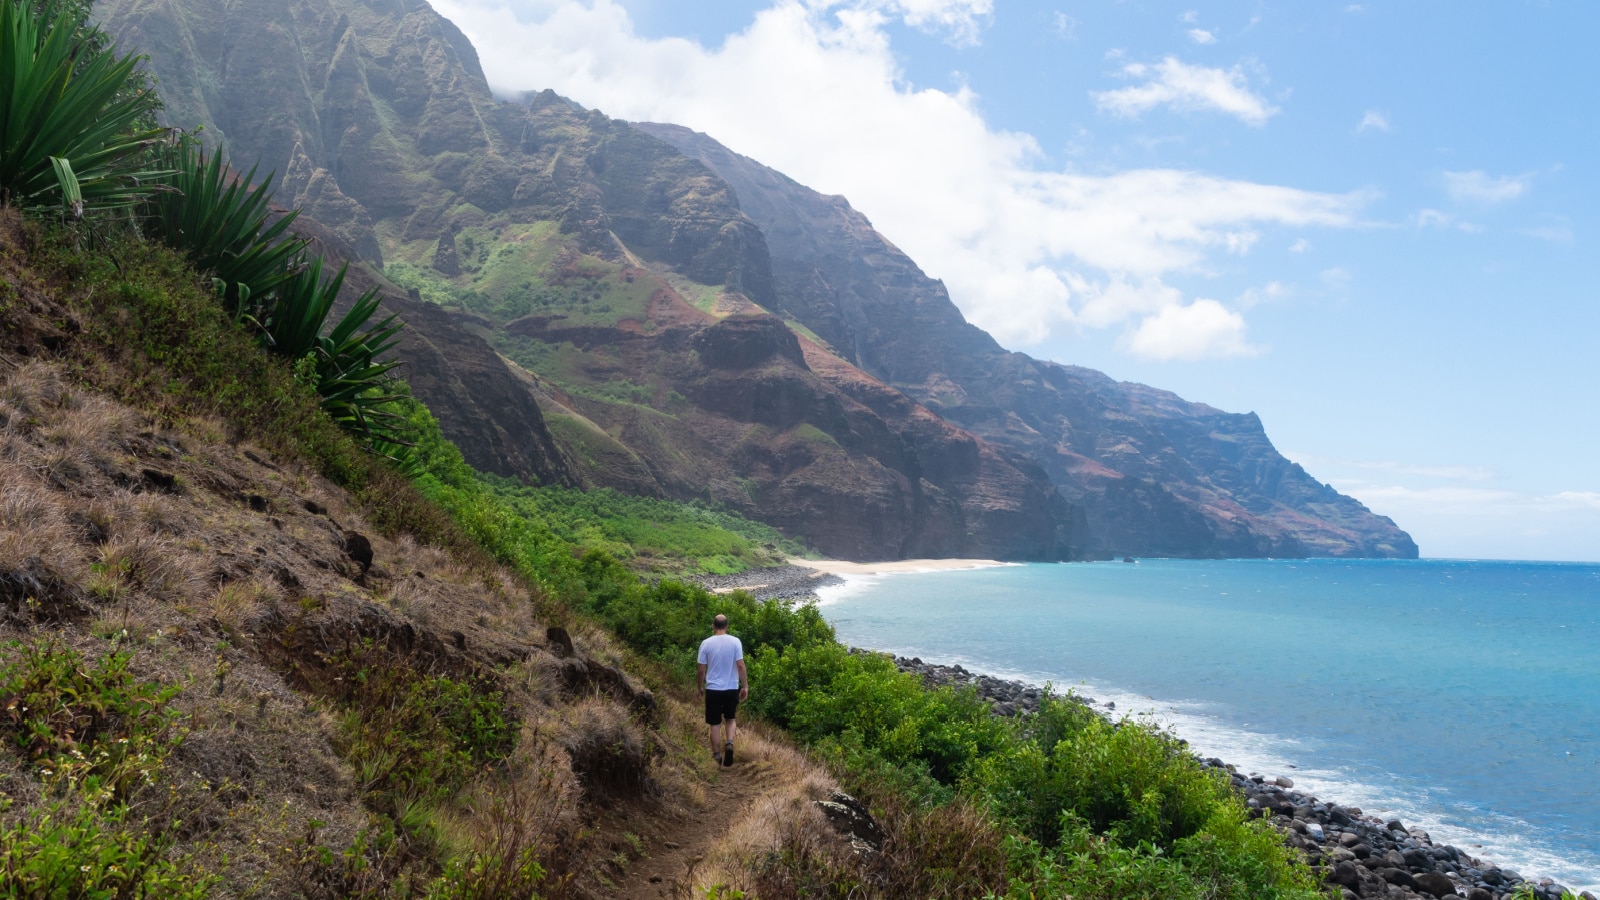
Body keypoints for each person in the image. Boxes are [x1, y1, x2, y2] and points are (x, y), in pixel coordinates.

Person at [697, 614, 748, 767]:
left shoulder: (706, 643)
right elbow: (740, 665)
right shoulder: (735, 642)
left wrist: (699, 687)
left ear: (713, 625)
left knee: (715, 723)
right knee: (730, 719)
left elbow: (701, 670)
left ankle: (717, 755)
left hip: (713, 689)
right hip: (731, 687)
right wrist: (745, 685)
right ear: (727, 626)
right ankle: (730, 743)